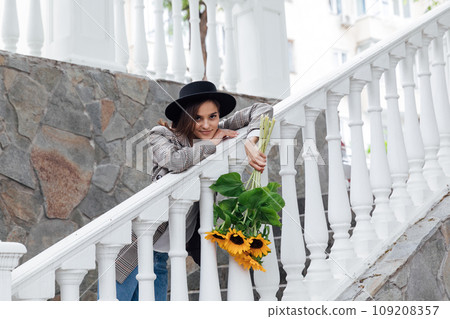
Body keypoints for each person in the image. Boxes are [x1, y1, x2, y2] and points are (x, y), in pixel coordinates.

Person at [114, 80, 273, 300]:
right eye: (197, 117)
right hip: (136, 249)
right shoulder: (161, 135)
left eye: (213, 116)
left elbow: (262, 109)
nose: (206, 125)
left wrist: (250, 140)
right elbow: (175, 161)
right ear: (184, 117)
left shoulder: (217, 128)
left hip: (161, 256)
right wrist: (214, 143)